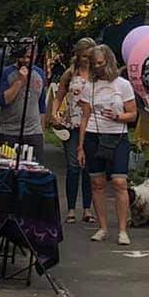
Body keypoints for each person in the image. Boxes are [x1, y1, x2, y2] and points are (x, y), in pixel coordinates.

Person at [78, 46, 138, 247]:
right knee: (97, 182)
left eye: (101, 63)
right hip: (94, 135)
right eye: (95, 63)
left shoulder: (123, 85)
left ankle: (122, 229)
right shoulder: (89, 86)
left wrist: (119, 116)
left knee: (120, 182)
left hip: (117, 136)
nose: (98, 67)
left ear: (109, 61)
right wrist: (80, 146)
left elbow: (133, 113)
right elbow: (85, 117)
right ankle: (103, 227)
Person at [54, 40, 97, 224]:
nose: (87, 60)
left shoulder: (98, 74)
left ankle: (87, 209)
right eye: (85, 56)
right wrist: (54, 114)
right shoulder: (70, 73)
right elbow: (59, 96)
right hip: (72, 124)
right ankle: (71, 209)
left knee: (88, 168)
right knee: (73, 166)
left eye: (90, 56)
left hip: (92, 124)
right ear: (78, 55)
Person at [0, 39, 48, 151]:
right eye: (22, 57)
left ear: (35, 56)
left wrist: (42, 131)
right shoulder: (7, 72)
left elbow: (42, 105)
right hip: (10, 131)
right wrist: (20, 81)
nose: (25, 60)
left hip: (34, 132)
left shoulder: (40, 73)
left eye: (29, 57)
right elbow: (3, 101)